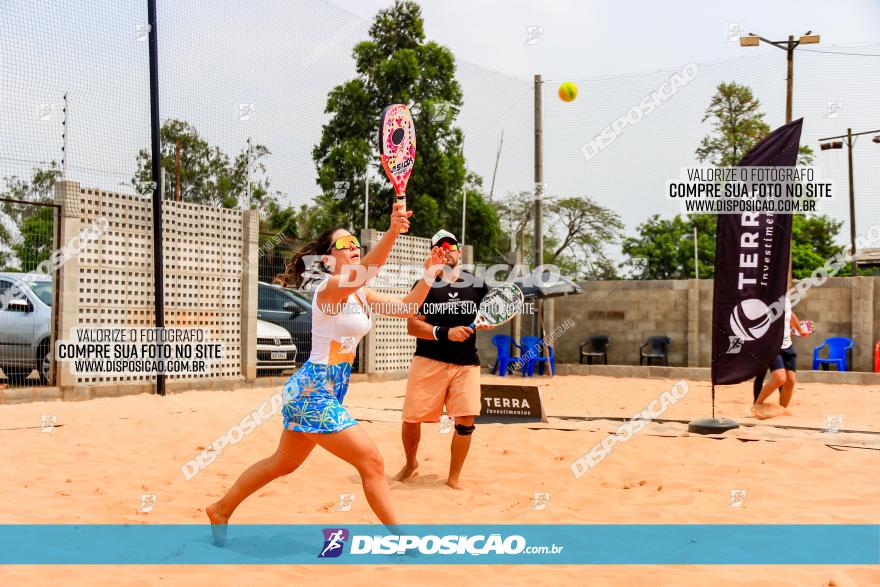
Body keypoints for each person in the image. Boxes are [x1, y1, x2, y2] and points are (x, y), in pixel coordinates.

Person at [207, 202, 445, 544]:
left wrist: (429, 274)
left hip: (329, 389)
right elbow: (365, 271)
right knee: (372, 462)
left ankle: (220, 509)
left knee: (282, 464)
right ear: (327, 259)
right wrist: (393, 231)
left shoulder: (359, 293)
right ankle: (403, 541)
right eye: (345, 244)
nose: (353, 248)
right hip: (313, 389)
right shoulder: (329, 289)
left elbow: (406, 308)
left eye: (355, 244)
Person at [395, 230, 489, 489]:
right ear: (433, 254)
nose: (446, 251)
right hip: (429, 360)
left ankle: (454, 477)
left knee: (466, 420)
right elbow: (412, 326)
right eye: (439, 248)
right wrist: (446, 333)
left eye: (451, 247)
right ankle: (411, 463)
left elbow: (493, 310)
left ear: (459, 252)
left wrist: (487, 322)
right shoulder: (424, 285)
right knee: (412, 419)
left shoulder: (475, 283)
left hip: (466, 363)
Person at [751, 288, 811, 420]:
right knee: (778, 378)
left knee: (790, 381)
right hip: (771, 346)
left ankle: (781, 411)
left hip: (787, 345)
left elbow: (791, 315)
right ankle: (757, 404)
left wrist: (800, 330)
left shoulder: (786, 298)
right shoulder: (766, 298)